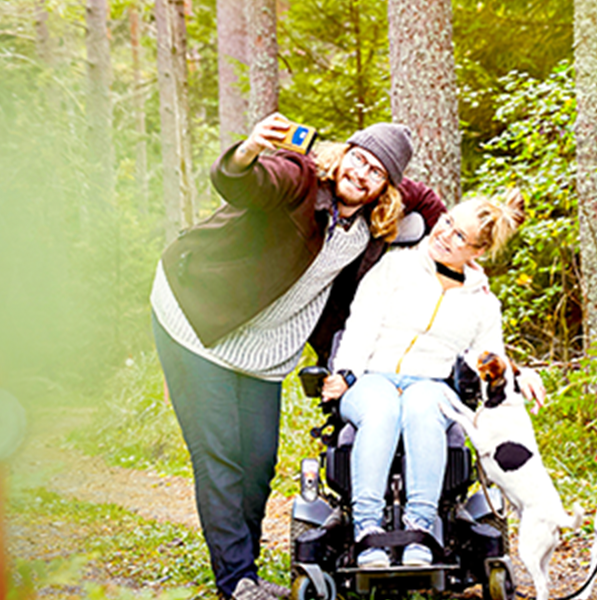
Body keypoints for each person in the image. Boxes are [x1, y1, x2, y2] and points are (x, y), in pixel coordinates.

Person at [150, 114, 446, 600]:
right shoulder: (301, 178)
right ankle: (238, 581)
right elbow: (244, 182)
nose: (363, 173)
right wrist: (248, 151)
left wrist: (460, 251)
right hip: (198, 322)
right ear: (343, 154)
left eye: (377, 172)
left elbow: (431, 207)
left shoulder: (373, 217)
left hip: (266, 349)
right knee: (221, 456)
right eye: (360, 159)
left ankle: (241, 569)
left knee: (259, 460)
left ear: (386, 189)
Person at [319, 195, 525, 568]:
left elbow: (486, 360)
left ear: (478, 250)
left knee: (423, 406)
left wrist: (517, 376)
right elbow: (361, 325)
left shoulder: (482, 303)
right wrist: (345, 373)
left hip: (430, 383)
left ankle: (421, 530)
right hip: (371, 378)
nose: (444, 235)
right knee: (382, 408)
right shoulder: (395, 266)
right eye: (446, 222)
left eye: (460, 236)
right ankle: (368, 532)